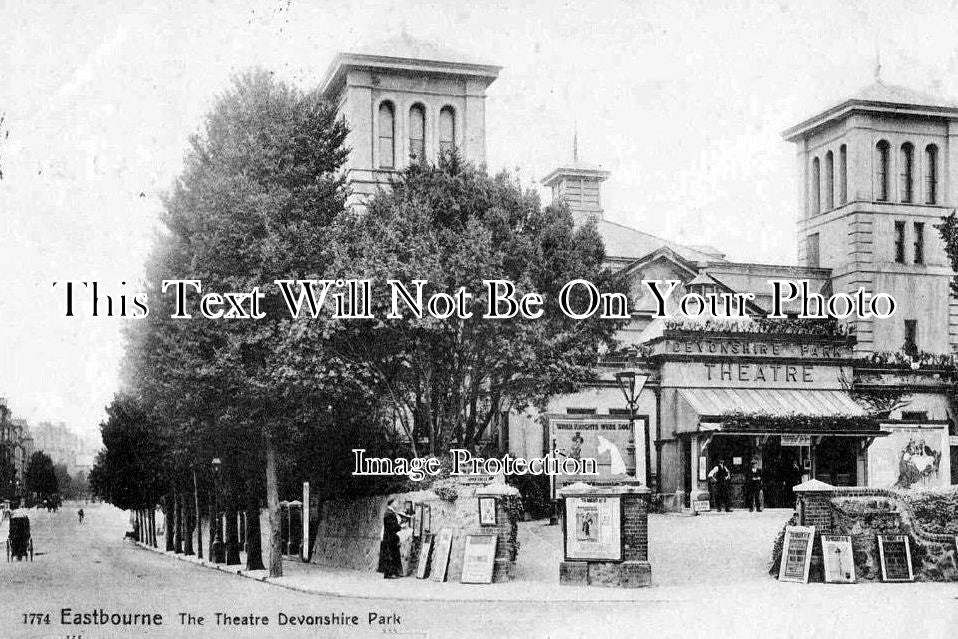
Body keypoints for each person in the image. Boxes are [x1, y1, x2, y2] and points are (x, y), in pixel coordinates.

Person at [376, 498, 409, 579]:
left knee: (391, 555)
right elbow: (391, 526)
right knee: (389, 555)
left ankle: (392, 573)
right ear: (391, 503)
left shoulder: (390, 512)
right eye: (395, 502)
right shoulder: (389, 513)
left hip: (390, 537)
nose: (397, 504)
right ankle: (389, 574)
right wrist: (400, 526)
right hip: (389, 537)